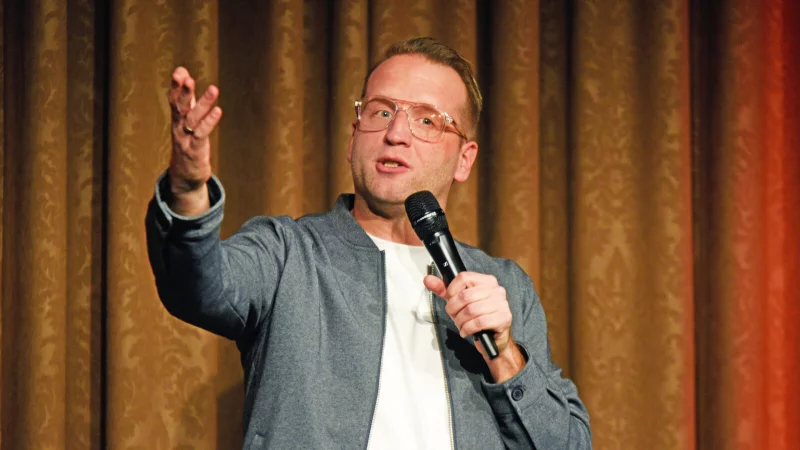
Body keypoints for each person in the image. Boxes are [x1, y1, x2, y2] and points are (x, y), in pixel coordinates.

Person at [146, 37, 591, 449]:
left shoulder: (503, 286)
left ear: (464, 159)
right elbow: (195, 286)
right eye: (380, 111)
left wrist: (506, 357)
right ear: (353, 135)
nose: (396, 133)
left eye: (426, 120)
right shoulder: (288, 254)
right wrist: (187, 190)